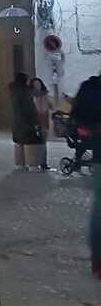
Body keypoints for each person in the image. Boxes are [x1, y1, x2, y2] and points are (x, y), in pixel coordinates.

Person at [70, 70, 101, 277]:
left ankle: (98, 261)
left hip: (99, 153)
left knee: (99, 210)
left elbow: (77, 116)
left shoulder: (89, 88)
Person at [8, 72, 43, 169]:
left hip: (16, 121)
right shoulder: (25, 91)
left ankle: (20, 164)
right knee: (30, 143)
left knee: (19, 143)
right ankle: (32, 164)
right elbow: (30, 108)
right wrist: (36, 120)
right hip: (26, 121)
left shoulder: (13, 90)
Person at [28, 77, 53, 169]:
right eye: (35, 85)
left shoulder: (45, 95)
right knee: (34, 143)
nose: (37, 87)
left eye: (38, 84)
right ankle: (34, 161)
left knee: (43, 143)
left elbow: (51, 106)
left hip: (44, 121)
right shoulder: (30, 95)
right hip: (33, 121)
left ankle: (43, 162)